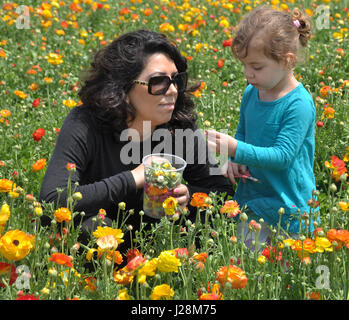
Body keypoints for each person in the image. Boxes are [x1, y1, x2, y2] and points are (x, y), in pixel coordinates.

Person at [39, 29, 234, 252]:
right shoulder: (85, 123)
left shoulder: (179, 126)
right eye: (158, 82)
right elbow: (52, 199)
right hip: (104, 253)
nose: (172, 91)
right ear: (123, 88)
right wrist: (135, 177)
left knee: (212, 223)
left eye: (176, 80)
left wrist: (188, 195)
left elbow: (224, 195)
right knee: (91, 229)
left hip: (164, 245)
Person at [206, 7, 317, 246]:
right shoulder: (252, 92)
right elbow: (243, 132)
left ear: (287, 60)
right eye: (245, 65)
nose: (248, 74)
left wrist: (236, 149)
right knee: (250, 272)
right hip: (253, 201)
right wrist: (235, 159)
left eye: (257, 67)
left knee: (284, 276)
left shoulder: (298, 104)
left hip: (288, 206)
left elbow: (283, 156)